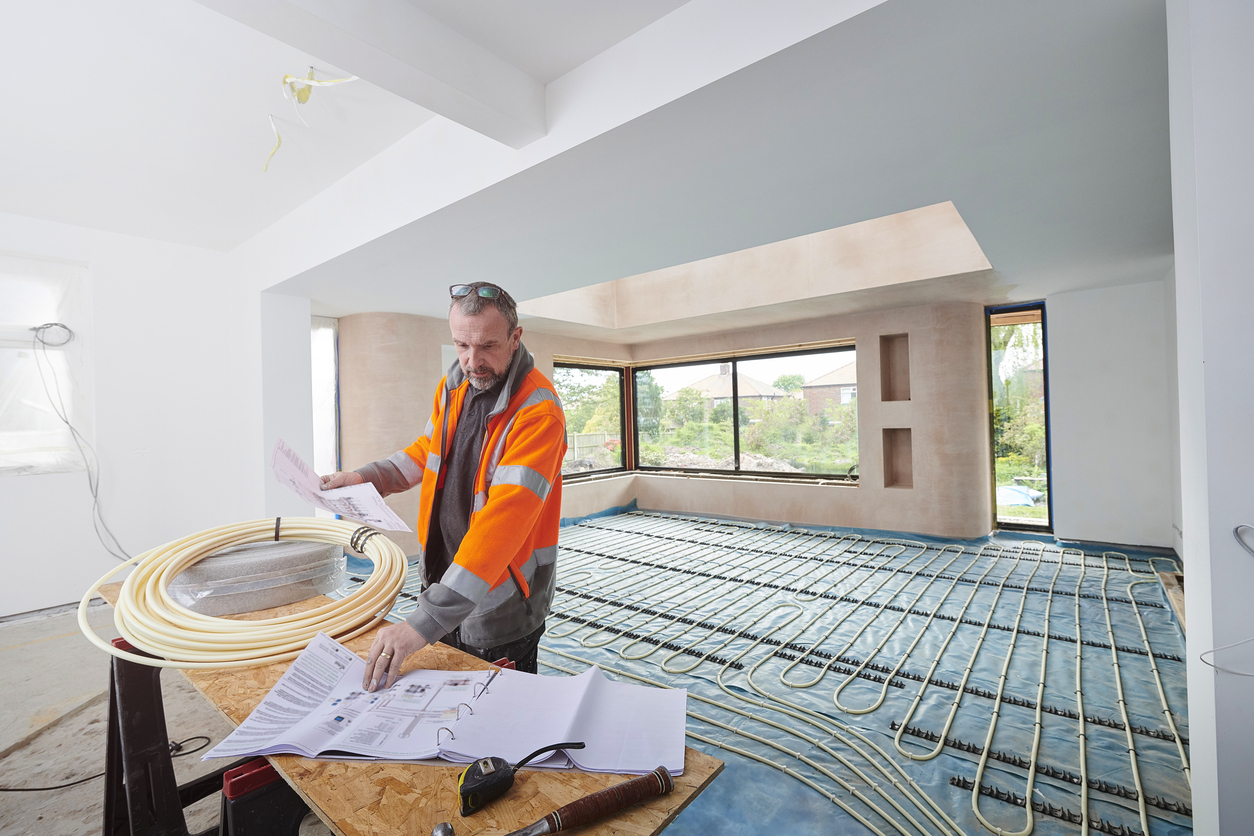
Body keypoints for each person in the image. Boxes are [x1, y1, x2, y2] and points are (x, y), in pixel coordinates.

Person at [321, 282, 566, 690]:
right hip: (442, 580)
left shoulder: (539, 412)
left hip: (501, 602)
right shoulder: (453, 387)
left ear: (515, 337)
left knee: (498, 722)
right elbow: (427, 452)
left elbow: (501, 526)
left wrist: (423, 623)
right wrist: (367, 477)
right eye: (462, 346)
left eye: (487, 346)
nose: (474, 361)